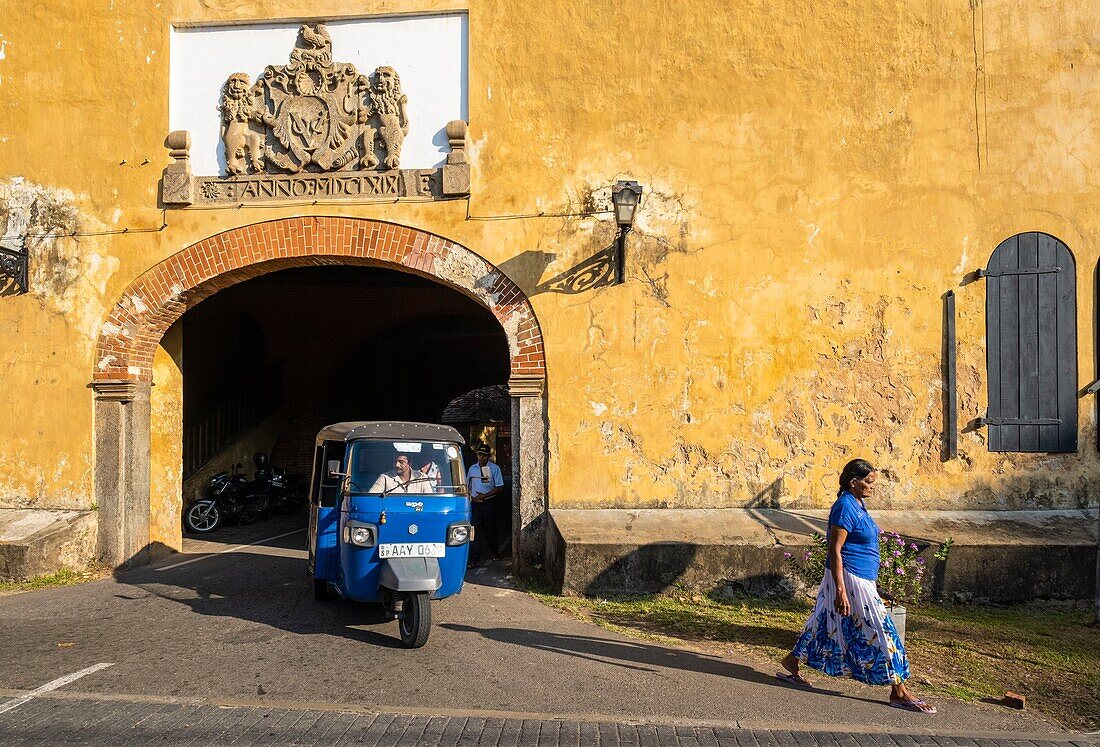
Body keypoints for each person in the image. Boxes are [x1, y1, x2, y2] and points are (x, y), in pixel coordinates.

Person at [777, 458, 936, 714]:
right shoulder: (845, 507)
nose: (873, 487)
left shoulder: (857, 503)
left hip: (860, 577)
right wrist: (841, 590)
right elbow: (834, 549)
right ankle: (900, 692)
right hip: (850, 579)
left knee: (824, 622)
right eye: (869, 482)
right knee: (883, 632)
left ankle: (791, 662)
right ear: (854, 482)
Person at [466, 444, 504, 567]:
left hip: (489, 503)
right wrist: (471, 497)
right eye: (479, 455)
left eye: (484, 455)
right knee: (474, 531)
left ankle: (494, 553)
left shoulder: (494, 468)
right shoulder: (472, 469)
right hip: (475, 504)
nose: (481, 458)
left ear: (488, 456)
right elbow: (467, 485)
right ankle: (474, 559)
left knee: (490, 530)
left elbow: (499, 487)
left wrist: (484, 496)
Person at [368, 452, 434, 494]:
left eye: (401, 462)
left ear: (410, 463)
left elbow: (430, 501)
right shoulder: (384, 478)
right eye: (394, 461)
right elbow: (371, 498)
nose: (396, 465)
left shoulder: (422, 478)